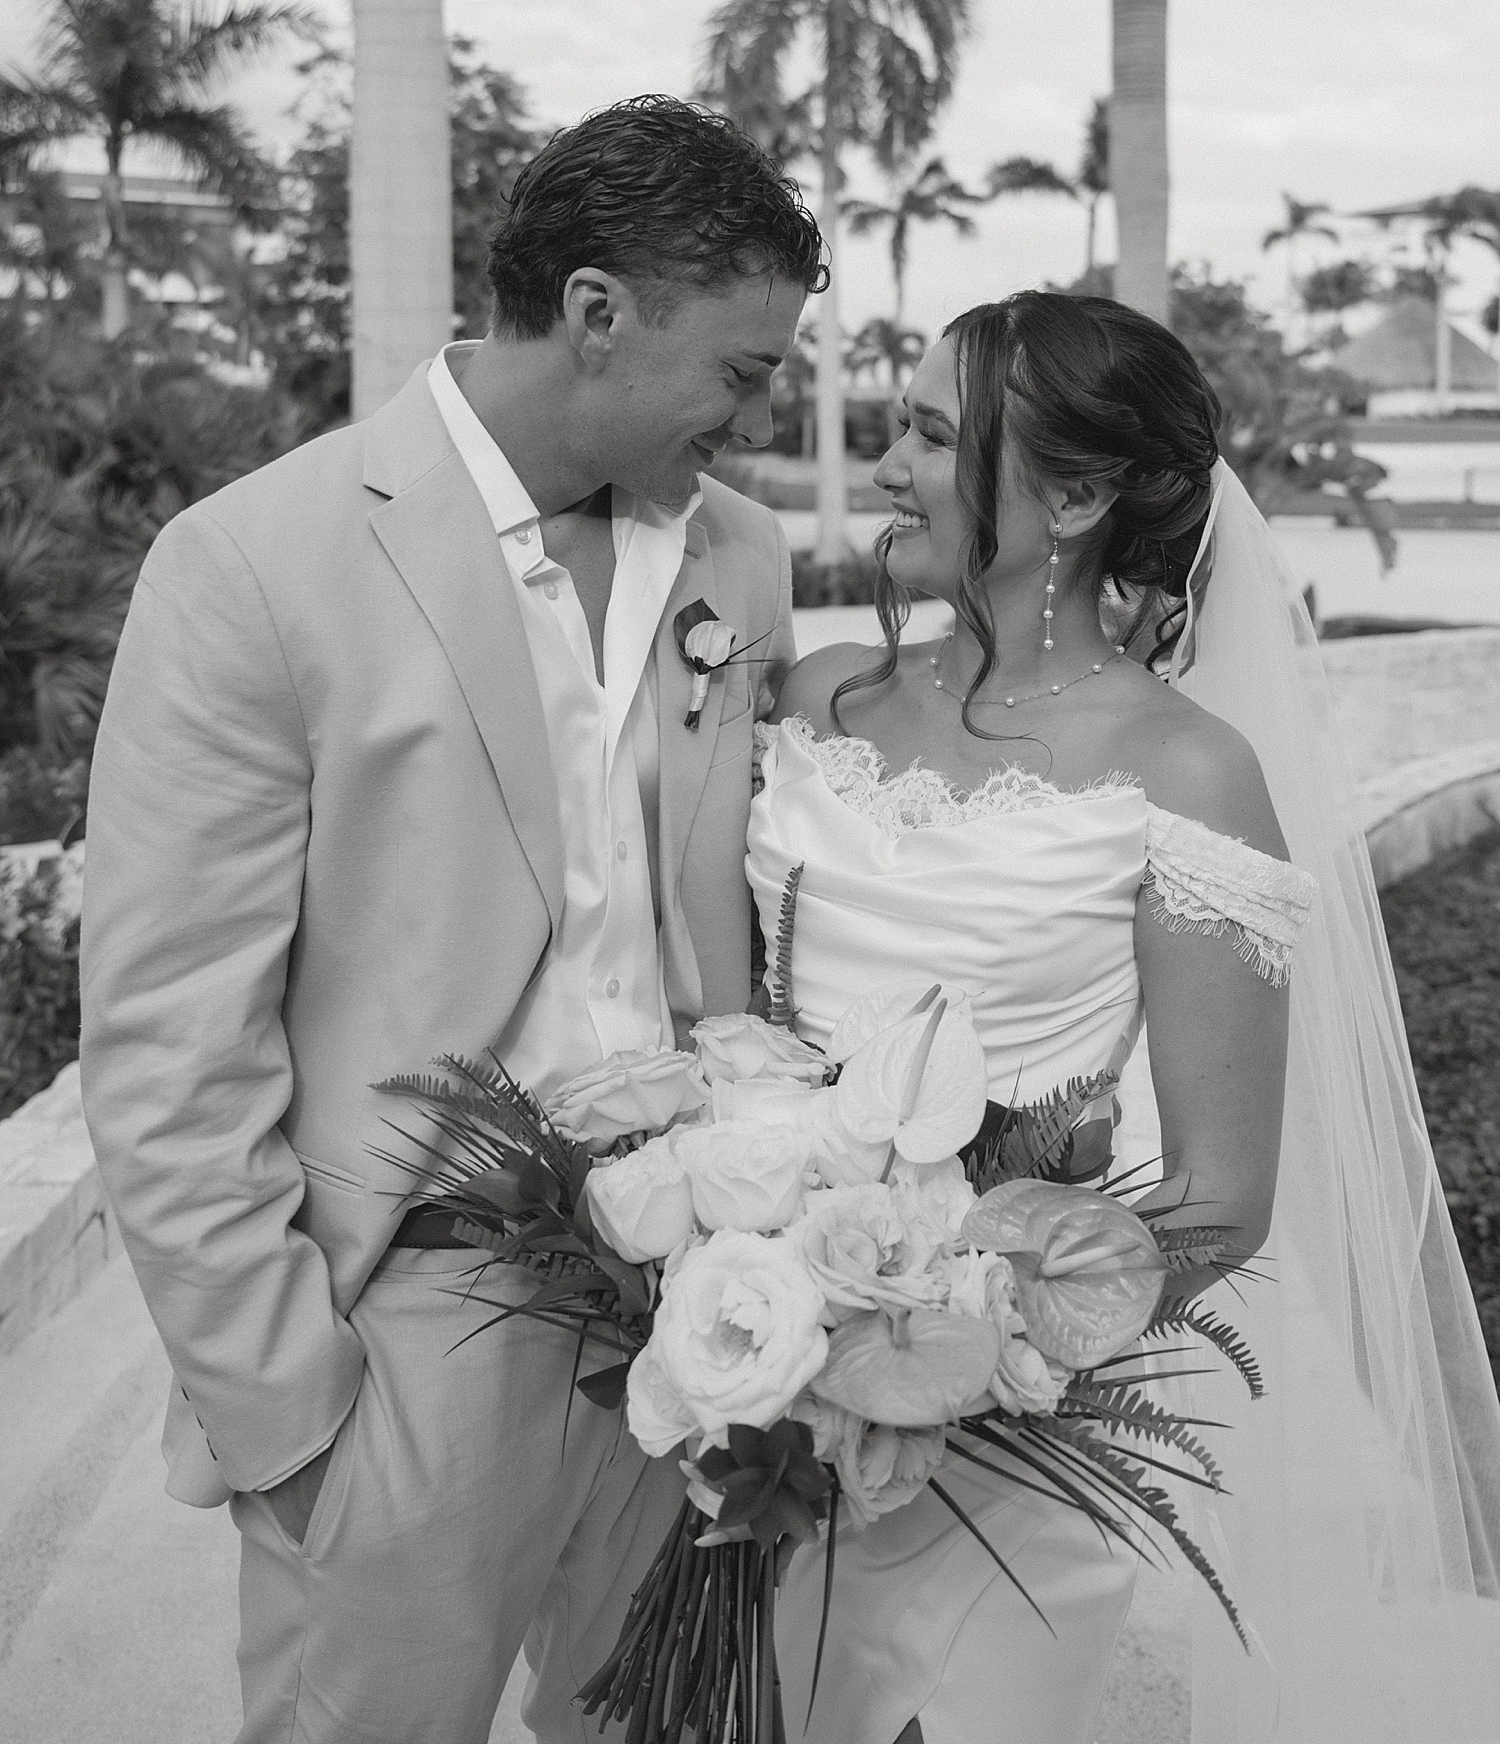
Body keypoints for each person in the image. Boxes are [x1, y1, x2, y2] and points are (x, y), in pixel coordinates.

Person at [79, 96, 823, 1744]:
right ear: (595, 315)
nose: (757, 421)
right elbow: (165, 1040)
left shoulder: (741, 557)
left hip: (706, 1305)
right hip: (411, 1331)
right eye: (744, 372)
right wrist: (290, 1412)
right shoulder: (255, 564)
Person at [748, 291, 1500, 1744]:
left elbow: (1222, 1199)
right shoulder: (815, 695)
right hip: (744, 1405)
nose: (887, 464)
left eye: (925, 432)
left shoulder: (1187, 771)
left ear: (1079, 493)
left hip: (1008, 1452)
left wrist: (959, 1347)